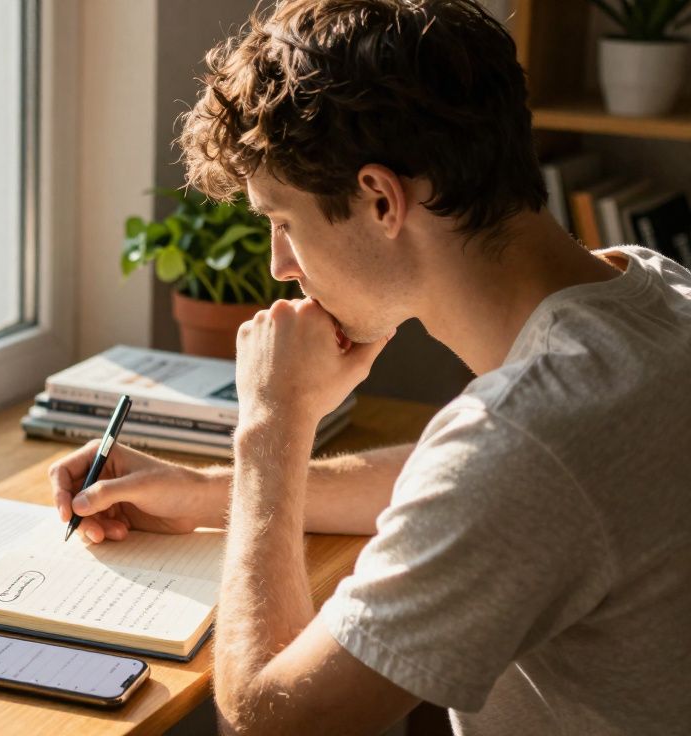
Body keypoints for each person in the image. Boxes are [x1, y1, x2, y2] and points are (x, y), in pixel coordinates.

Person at [49, 1, 691, 733]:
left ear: (380, 199)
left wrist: (273, 425)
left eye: (282, 222)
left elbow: (268, 720)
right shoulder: (653, 291)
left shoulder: (524, 447)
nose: (279, 266)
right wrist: (204, 494)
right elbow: (464, 484)